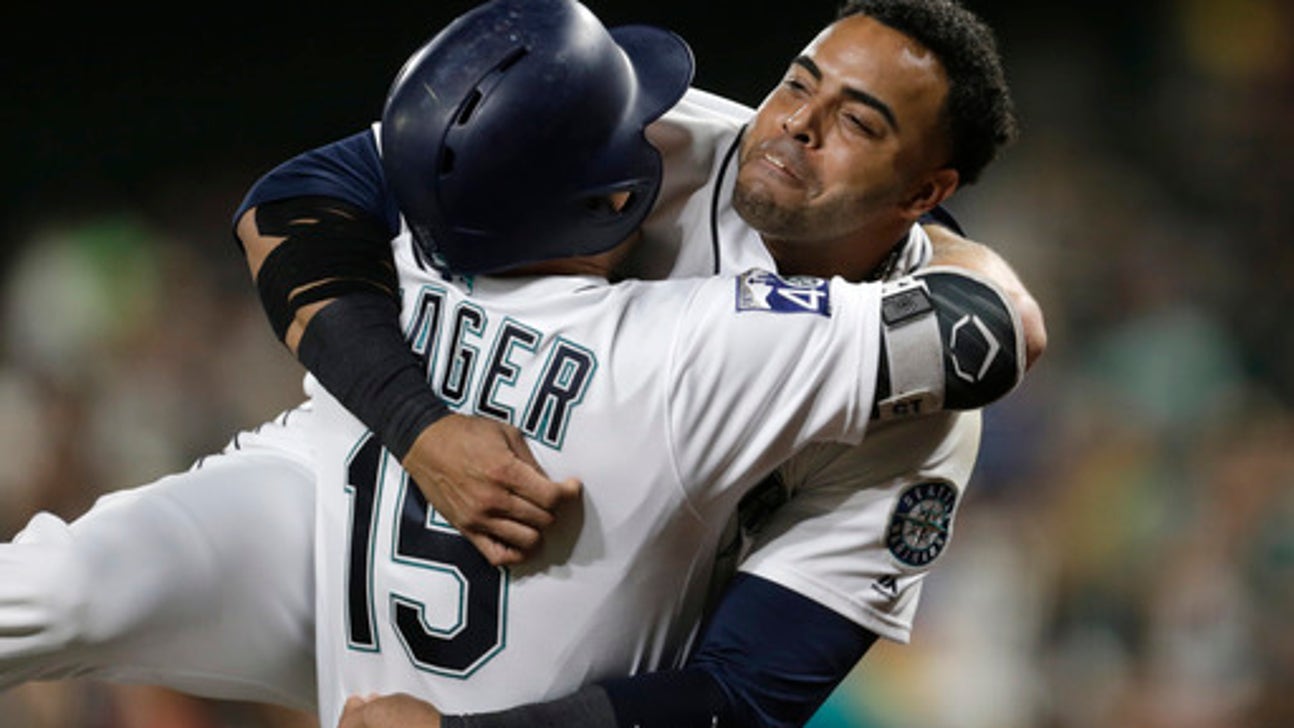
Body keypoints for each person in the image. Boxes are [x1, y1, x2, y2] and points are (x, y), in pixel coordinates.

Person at [0, 3, 1038, 728]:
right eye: (796, 82)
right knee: (53, 585)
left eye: (857, 121)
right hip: (338, 507)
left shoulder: (901, 409)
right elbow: (299, 197)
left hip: (567, 612)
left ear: (923, 191)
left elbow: (747, 692)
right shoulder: (659, 129)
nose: (795, 125)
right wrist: (417, 420)